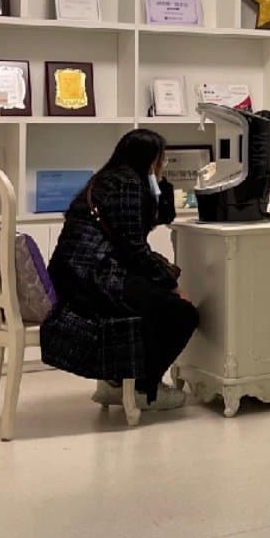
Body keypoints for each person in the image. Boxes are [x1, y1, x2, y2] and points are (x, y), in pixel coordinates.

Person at [41, 129, 198, 411]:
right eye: (161, 159)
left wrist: (160, 184)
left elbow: (158, 219)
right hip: (95, 278)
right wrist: (172, 285)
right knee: (182, 313)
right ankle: (143, 388)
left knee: (158, 300)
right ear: (150, 159)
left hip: (74, 274)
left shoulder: (108, 179)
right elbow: (135, 249)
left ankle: (116, 381)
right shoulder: (128, 184)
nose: (163, 164)